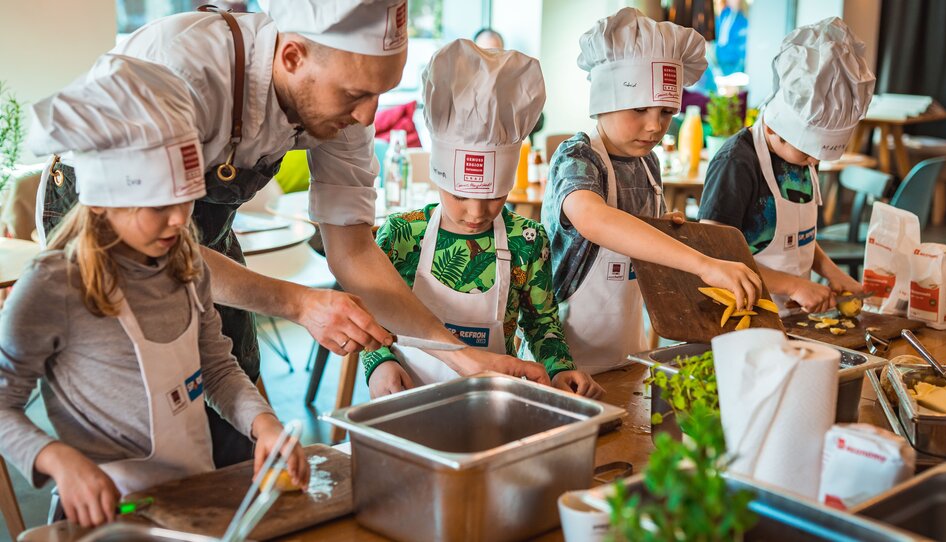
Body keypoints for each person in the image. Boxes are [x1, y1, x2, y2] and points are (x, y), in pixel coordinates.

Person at [32, 0, 550, 465]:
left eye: (380, 92)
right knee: (146, 413)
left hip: (205, 240)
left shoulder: (347, 107)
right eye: (355, 93)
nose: (368, 114)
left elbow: (352, 249)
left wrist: (462, 359)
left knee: (242, 414)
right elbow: (159, 248)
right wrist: (301, 303)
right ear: (292, 56)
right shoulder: (187, 67)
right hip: (102, 237)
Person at [1, 56, 308, 528]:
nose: (179, 220)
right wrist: (57, 457)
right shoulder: (54, 286)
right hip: (103, 517)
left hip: (189, 499)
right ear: (103, 199)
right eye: (158, 204)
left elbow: (217, 367)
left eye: (186, 198)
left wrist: (262, 423)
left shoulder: (186, 264)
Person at [362, 40, 603, 398]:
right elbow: (369, 317)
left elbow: (541, 324)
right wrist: (379, 364)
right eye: (460, 195)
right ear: (438, 176)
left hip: (493, 403)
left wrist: (559, 369)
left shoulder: (528, 241)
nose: (476, 212)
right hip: (407, 402)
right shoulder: (401, 235)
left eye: (494, 196)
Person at [541, 7, 762, 374]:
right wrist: (703, 264)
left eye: (665, 111)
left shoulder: (649, 165)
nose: (654, 126)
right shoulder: (577, 157)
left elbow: (638, 249)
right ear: (604, 100)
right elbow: (595, 219)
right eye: (640, 108)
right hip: (564, 362)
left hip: (627, 353)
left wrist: (662, 228)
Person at [698, 17, 875, 315]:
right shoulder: (737, 163)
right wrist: (793, 285)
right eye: (807, 153)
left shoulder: (802, 158)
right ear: (773, 130)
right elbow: (714, 254)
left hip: (791, 320)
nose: (814, 162)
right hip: (740, 319)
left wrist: (831, 272)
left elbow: (797, 238)